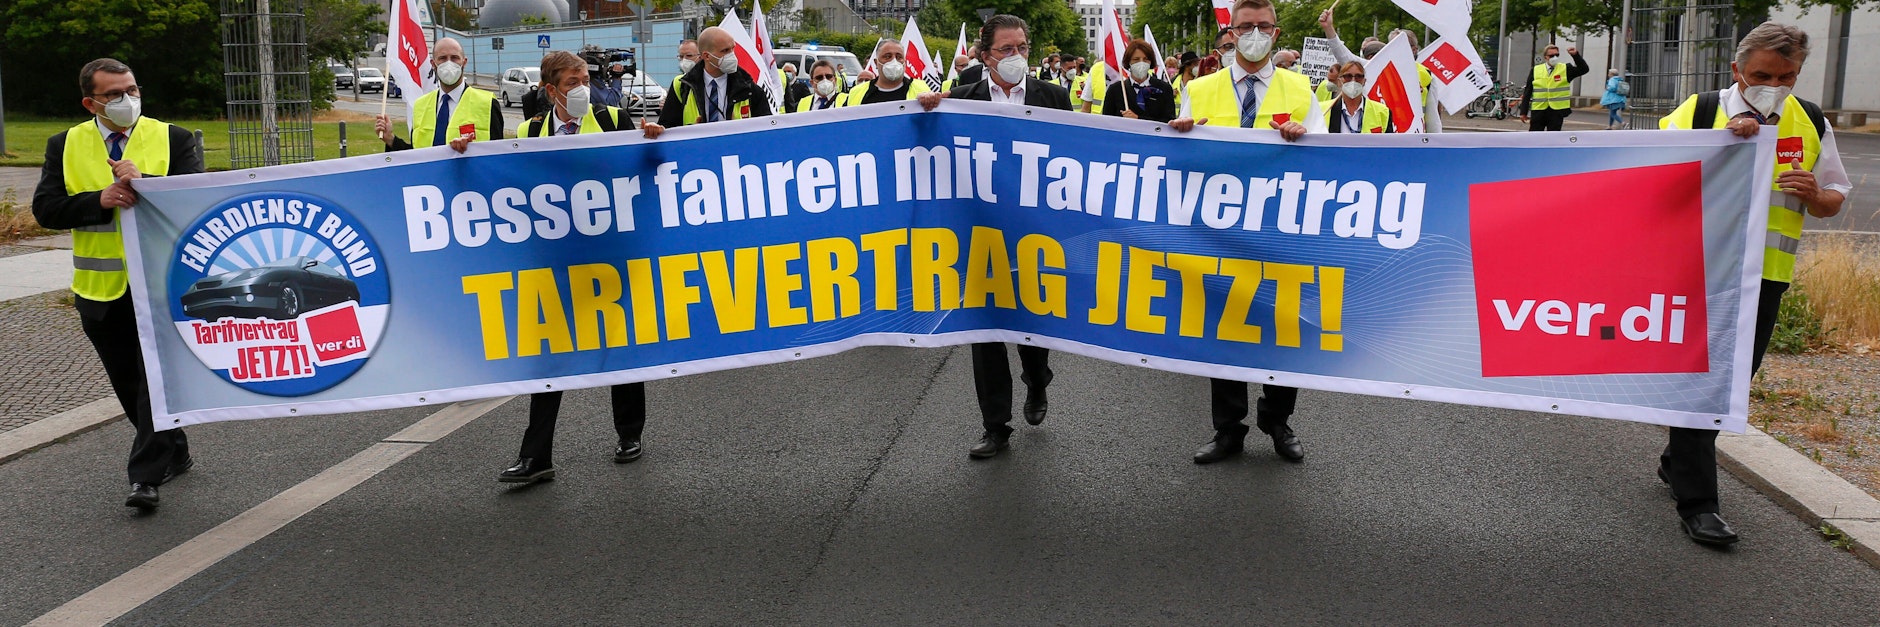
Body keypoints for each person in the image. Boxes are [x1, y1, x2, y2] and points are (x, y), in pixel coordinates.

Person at [1656, 22, 1851, 546]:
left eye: (1787, 76)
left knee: (1733, 382)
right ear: (1738, 70)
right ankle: (1698, 505)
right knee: (1705, 382)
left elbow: (1835, 198)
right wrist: (1719, 145)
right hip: (1697, 272)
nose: (1775, 85)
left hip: (1766, 278)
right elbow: (1651, 176)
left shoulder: (1809, 119)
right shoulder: (1699, 111)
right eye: (1763, 74)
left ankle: (1678, 460)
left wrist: (1815, 194)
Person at [32, 58, 205, 510]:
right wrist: (100, 200)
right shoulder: (64, 144)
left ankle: (145, 476)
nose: (126, 100)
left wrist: (146, 184)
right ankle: (175, 448)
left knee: (156, 381)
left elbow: (199, 202)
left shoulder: (174, 138)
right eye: (113, 94)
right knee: (129, 384)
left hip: (164, 288)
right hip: (100, 291)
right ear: (90, 102)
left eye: (131, 89)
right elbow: (47, 210)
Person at [1169, 0, 1319, 464]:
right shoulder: (1201, 87)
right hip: (1220, 233)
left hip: (1280, 229)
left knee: (1281, 325)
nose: (1254, 33)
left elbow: (1327, 164)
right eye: (1245, 26)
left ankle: (1278, 419)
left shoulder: (1302, 88)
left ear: (1276, 32)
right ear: (1230, 32)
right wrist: (1179, 136)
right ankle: (1228, 428)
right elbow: (1181, 158)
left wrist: (1305, 137)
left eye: (1263, 26)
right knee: (1225, 325)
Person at [917, 14, 1071, 459]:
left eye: (1022, 47)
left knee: (1031, 322)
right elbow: (923, 144)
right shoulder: (962, 99)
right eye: (1006, 49)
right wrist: (927, 111)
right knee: (985, 330)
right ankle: (995, 426)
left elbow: (1082, 154)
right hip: (979, 234)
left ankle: (1037, 378)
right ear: (985, 56)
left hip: (1036, 233)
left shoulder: (1053, 97)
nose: (1017, 56)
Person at [502, 50, 645, 483]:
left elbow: (640, 169)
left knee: (620, 343)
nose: (583, 88)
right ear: (550, 90)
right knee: (548, 354)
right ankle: (536, 456)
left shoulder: (615, 120)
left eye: (586, 78)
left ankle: (629, 433)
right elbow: (504, 185)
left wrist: (652, 142)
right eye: (571, 82)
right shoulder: (529, 130)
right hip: (555, 260)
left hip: (609, 254)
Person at [1318, 7, 1441, 132]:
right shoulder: (1380, 67)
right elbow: (1345, 57)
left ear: (1414, 49)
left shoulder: (1426, 75)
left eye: (1400, 46)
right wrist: (1329, 29)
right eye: (1390, 45)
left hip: (1411, 139)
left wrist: (1436, 147)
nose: (1394, 50)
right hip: (1384, 134)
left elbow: (1433, 119)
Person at [373, 38, 502, 153]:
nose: (449, 63)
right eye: (442, 58)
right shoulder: (420, 106)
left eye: (454, 58)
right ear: (433, 64)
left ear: (464, 62)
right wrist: (390, 139)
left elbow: (499, 156)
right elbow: (416, 157)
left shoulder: (487, 103)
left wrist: (469, 151)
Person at [643, 26, 775, 138]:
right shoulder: (681, 85)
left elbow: (767, 130)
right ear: (706, 56)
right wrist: (657, 129)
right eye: (725, 51)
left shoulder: (749, 87)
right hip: (698, 159)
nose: (732, 55)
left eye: (732, 49)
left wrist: (739, 129)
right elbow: (667, 127)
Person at [1102, 40, 1177, 122]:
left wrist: (1138, 119)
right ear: (1129, 62)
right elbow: (1107, 122)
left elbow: (1169, 121)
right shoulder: (1115, 90)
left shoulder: (1164, 88)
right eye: (1136, 59)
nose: (1141, 63)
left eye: (1145, 59)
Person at [1521, 43, 1588, 131]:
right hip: (1539, 110)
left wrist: (1575, 56)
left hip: (1556, 111)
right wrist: (1523, 112)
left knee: (1553, 138)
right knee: (1535, 137)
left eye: (1557, 55)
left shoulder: (1565, 69)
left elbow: (1584, 69)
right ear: (1545, 57)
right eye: (1551, 55)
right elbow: (1528, 91)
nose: (1555, 57)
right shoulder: (1536, 70)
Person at [843, 39, 932, 105]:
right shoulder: (857, 92)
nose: (894, 61)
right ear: (876, 63)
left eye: (899, 57)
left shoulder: (921, 88)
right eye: (887, 56)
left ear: (904, 61)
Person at [1321, 60, 1392, 134]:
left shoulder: (1383, 112)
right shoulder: (1323, 111)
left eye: (1358, 76)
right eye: (1348, 76)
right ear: (1339, 81)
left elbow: (1389, 143)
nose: (1353, 81)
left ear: (1364, 81)